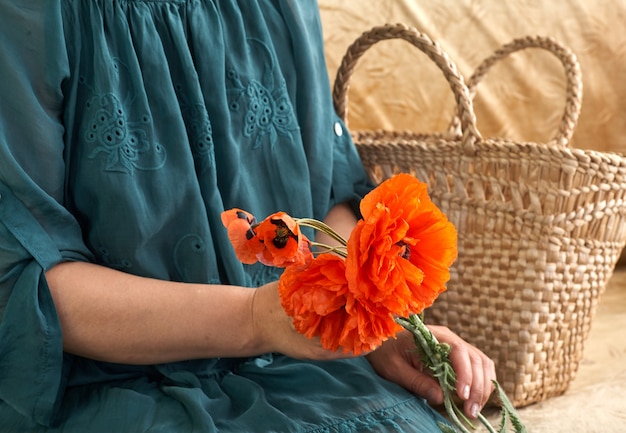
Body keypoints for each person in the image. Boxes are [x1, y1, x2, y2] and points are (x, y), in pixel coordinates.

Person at [0, 1, 496, 431]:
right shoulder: (30, 15)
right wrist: (256, 319)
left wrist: (374, 332)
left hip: (303, 374)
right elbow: (28, 282)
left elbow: (329, 195)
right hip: (118, 387)